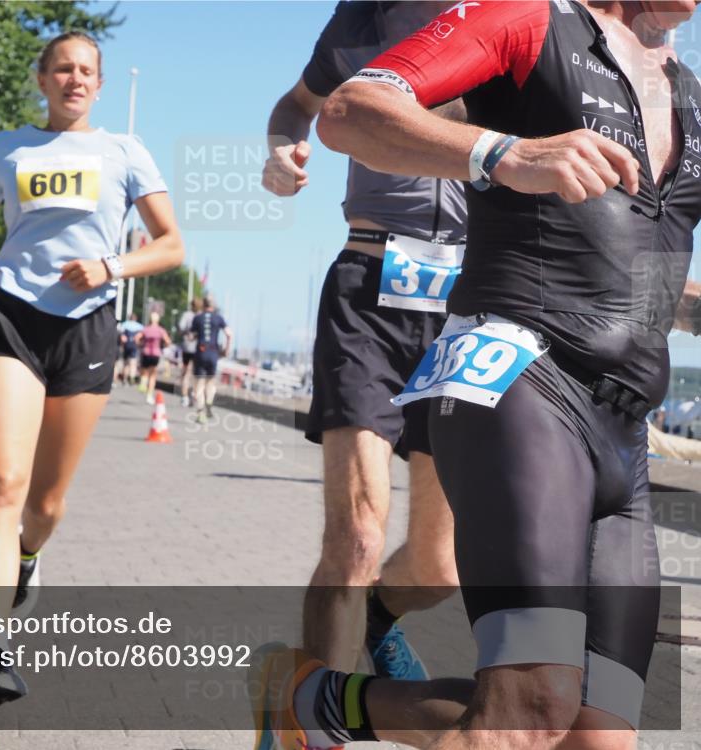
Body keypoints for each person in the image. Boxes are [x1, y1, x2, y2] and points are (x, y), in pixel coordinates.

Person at [255, 0, 701, 748]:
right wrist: (502, 154)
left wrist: (677, 312)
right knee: (520, 705)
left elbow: (633, 254)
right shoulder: (516, 20)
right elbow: (340, 110)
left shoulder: (678, 88)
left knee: (591, 730)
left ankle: (319, 694)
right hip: (487, 349)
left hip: (606, 414)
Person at [0, 31, 183, 710]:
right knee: (3, 485)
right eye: (62, 69)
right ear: (42, 79)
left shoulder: (125, 152)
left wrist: (111, 266)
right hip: (13, 318)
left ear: (98, 86)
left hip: (87, 328)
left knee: (45, 504)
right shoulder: (9, 148)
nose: (74, 79)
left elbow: (171, 245)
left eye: (85, 71)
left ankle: (28, 556)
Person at [262, 0, 464, 680]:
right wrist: (281, 150)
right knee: (356, 538)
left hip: (467, 306)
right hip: (369, 288)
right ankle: (311, 714)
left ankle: (374, 620)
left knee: (440, 568)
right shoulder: (362, 17)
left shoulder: (513, 19)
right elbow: (296, 105)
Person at [191, 295, 232, 422]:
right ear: (213, 305)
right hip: (213, 352)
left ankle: (201, 413)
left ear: (203, 305)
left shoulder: (197, 318)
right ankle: (209, 401)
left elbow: (191, 336)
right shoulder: (219, 318)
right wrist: (226, 349)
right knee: (211, 381)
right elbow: (229, 334)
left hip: (201, 352)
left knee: (199, 383)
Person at [135, 310, 171, 404]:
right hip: (155, 353)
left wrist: (140, 344)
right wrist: (164, 346)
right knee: (153, 375)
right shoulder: (161, 330)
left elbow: (137, 337)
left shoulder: (146, 329)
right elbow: (168, 341)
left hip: (145, 352)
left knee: (144, 371)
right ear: (158, 320)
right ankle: (149, 395)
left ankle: (143, 383)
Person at [178, 297, 202, 406]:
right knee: (196, 373)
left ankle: (184, 397)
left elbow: (181, 328)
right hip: (198, 348)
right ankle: (194, 394)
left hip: (187, 347)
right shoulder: (201, 316)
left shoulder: (186, 315)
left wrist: (186, 334)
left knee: (186, 372)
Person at [118, 312, 144, 386]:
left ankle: (125, 379)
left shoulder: (124, 324)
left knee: (126, 363)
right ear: (135, 318)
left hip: (126, 346)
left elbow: (121, 335)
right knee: (133, 363)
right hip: (134, 346)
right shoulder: (139, 326)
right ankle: (132, 379)